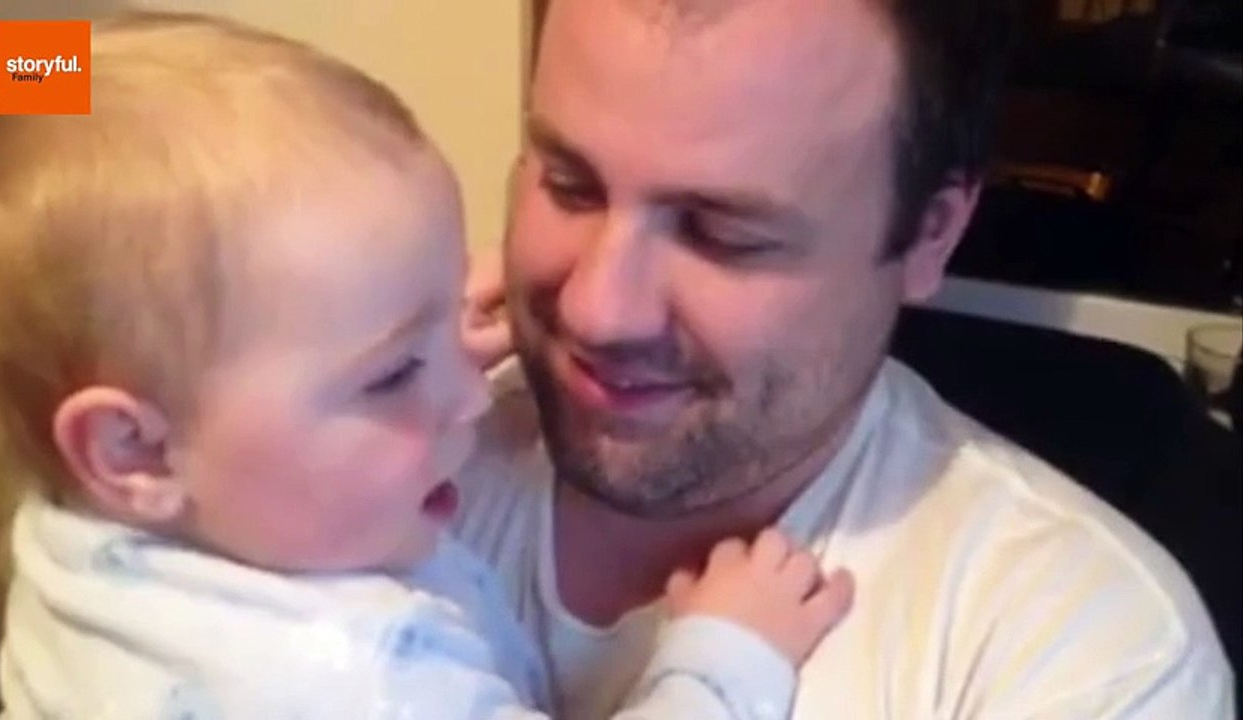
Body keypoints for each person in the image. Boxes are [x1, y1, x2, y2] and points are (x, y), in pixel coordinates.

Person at [0, 12, 854, 719]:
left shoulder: (73, 537)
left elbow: (16, 67)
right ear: (131, 449)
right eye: (393, 374)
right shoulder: (367, 680)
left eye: (448, 318)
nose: (472, 396)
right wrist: (724, 660)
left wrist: (405, 337)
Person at [454, 0, 1236, 717]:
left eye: (722, 234)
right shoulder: (398, 451)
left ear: (932, 233)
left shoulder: (1086, 654)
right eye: (568, 185)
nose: (599, 309)